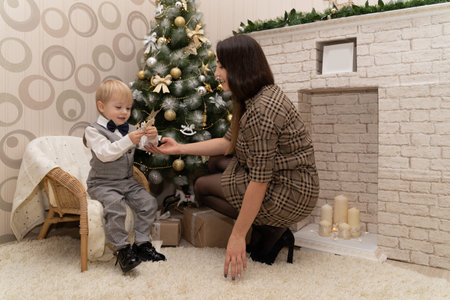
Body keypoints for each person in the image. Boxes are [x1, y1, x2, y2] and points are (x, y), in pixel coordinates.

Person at [147, 35, 319, 280]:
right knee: (216, 162)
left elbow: (259, 181)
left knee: (202, 187)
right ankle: (264, 225)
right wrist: (180, 148)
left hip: (291, 191)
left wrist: (237, 236)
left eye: (221, 66)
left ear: (240, 66)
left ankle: (270, 227)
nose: (216, 73)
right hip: (285, 175)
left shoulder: (262, 110)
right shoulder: (254, 95)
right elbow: (228, 143)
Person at [84, 79, 166, 273]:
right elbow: (105, 154)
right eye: (119, 107)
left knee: (149, 203)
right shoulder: (93, 131)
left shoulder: (129, 129)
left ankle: (142, 243)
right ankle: (122, 250)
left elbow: (147, 145)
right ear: (101, 107)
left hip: (126, 181)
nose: (124, 113)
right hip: (102, 183)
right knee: (116, 206)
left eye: (128, 108)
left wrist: (152, 136)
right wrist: (128, 140)